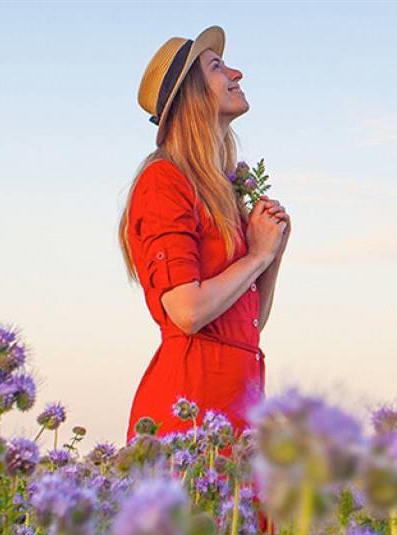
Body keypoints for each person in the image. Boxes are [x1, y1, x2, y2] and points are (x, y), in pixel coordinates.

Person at [118, 25, 290, 443]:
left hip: (239, 400)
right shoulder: (165, 181)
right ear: (192, 96)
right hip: (191, 405)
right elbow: (189, 312)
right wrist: (257, 257)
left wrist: (272, 251)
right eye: (217, 66)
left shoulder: (221, 191)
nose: (237, 73)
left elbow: (250, 323)